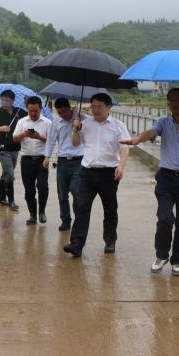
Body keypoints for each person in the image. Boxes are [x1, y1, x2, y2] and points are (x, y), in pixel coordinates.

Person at [121, 88, 179, 276]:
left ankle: (178, 260)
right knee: (165, 218)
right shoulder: (163, 123)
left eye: (178, 100)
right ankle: (161, 255)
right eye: (171, 101)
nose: (174, 104)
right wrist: (137, 139)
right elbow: (151, 132)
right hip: (167, 178)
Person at [63, 93, 130, 257]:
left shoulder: (118, 125)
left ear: (108, 107)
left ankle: (110, 240)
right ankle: (77, 244)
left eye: (99, 106)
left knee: (110, 208)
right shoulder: (85, 124)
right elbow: (75, 143)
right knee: (81, 207)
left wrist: (121, 166)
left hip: (109, 173)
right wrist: (75, 129)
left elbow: (125, 148)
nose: (95, 109)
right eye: (93, 106)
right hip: (87, 171)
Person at [43, 98, 84, 232]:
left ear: (70, 108)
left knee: (75, 190)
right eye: (59, 113)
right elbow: (51, 140)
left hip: (79, 160)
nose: (63, 115)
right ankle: (65, 220)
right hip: (62, 161)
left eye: (65, 112)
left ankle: (79, 218)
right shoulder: (56, 121)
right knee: (62, 193)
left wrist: (77, 125)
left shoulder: (82, 119)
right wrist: (47, 156)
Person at [13, 96, 51, 224]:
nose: (33, 113)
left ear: (41, 109)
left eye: (36, 110)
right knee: (29, 190)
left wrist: (39, 137)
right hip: (26, 160)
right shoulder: (22, 122)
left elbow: (52, 142)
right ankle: (32, 214)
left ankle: (42, 211)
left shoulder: (47, 123)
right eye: (30, 111)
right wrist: (25, 134)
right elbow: (14, 138)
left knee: (43, 187)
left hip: (42, 159)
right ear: (27, 109)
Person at [0, 89, 26, 211]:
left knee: (5, 174)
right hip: (2, 149)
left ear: (13, 101)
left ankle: (1, 198)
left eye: (7, 100)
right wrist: (0, 129)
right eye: (3, 100)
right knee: (10, 174)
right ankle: (11, 201)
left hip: (15, 148)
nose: (4, 103)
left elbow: (32, 118)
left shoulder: (20, 112)